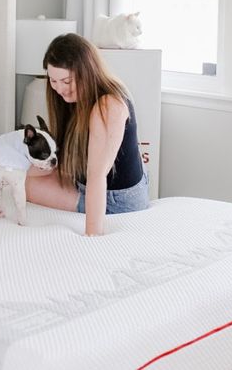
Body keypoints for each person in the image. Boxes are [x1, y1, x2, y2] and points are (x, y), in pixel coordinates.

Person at [26, 33, 149, 236]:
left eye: (66, 81)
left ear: (87, 72)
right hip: (93, 182)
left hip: (118, 199)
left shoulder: (108, 105)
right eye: (53, 81)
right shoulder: (73, 99)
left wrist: (92, 237)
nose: (60, 89)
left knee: (29, 186)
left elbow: (97, 176)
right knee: (24, 178)